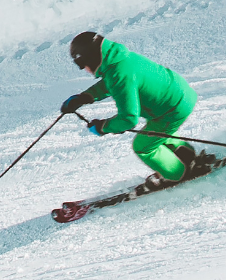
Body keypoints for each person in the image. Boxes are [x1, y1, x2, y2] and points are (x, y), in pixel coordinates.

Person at [60, 31, 198, 183]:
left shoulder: (119, 74)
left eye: (81, 64)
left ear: (91, 58)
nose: (84, 69)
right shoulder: (119, 60)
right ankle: (186, 154)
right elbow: (112, 83)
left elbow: (128, 118)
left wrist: (103, 127)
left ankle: (178, 174)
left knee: (143, 146)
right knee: (155, 134)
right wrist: (85, 97)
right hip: (179, 94)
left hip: (172, 109)